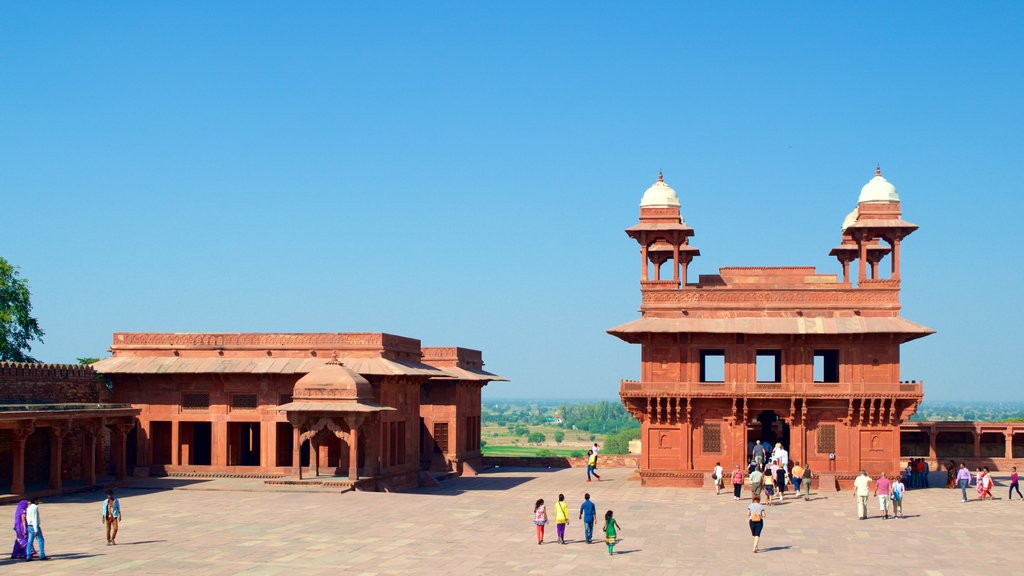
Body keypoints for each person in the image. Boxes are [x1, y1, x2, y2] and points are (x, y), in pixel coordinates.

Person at [24, 496, 47, 561]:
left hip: (29, 526)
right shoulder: (35, 508)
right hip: (34, 526)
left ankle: (28, 556)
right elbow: (34, 519)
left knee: (30, 541)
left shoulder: (28, 508)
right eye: (38, 500)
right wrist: (36, 529)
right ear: (35, 501)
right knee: (40, 540)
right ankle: (42, 555)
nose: (38, 501)